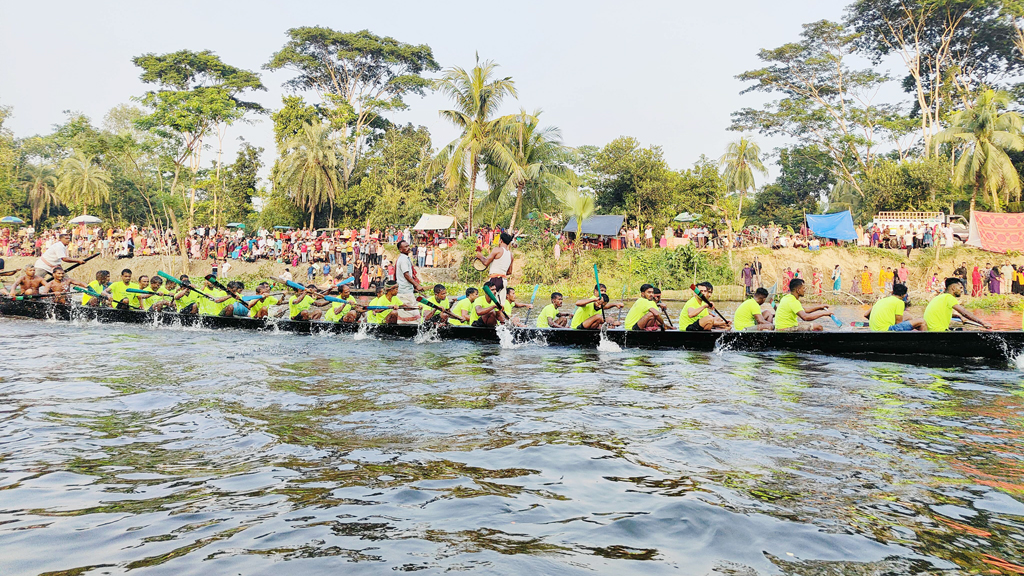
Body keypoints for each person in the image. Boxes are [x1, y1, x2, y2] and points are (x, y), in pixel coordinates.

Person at [924, 278, 991, 331]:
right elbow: (964, 312)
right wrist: (983, 323)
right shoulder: (949, 297)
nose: (962, 290)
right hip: (939, 331)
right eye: (960, 288)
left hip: (931, 331)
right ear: (953, 288)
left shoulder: (939, 297)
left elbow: (940, 313)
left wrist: (958, 317)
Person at [475, 232, 514, 302]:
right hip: (504, 280)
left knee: (491, 302)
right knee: (501, 304)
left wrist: (480, 256)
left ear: (501, 240)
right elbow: (509, 272)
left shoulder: (497, 250)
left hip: (495, 279)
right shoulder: (511, 254)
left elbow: (486, 262)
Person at [395, 240, 422, 324]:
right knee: (413, 316)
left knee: (410, 315)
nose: (408, 248)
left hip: (407, 290)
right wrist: (416, 285)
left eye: (408, 246)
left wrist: (414, 286)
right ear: (400, 249)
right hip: (404, 292)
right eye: (405, 247)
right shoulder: (403, 259)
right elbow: (406, 275)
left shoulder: (405, 258)